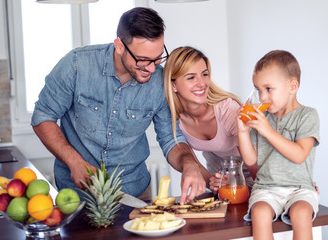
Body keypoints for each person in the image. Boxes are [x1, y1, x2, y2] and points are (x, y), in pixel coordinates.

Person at [31, 7, 206, 204]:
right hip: (76, 194)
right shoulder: (77, 64)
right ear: (120, 45)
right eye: (143, 60)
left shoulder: (159, 80)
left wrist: (189, 163)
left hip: (135, 191)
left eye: (157, 58)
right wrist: (75, 161)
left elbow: (170, 138)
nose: (151, 68)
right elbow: (42, 116)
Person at [238, 50, 320, 239]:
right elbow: (251, 159)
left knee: (301, 213)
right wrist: (243, 132)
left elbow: (299, 155)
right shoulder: (262, 118)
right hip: (266, 188)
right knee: (259, 213)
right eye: (258, 90)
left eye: (268, 89)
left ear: (292, 86)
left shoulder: (308, 116)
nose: (262, 97)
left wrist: (267, 130)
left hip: (300, 188)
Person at [163, 46, 254, 193]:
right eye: (191, 77)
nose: (202, 83)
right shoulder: (175, 119)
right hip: (222, 179)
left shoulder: (227, 110)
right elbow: (192, 163)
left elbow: (257, 163)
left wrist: (236, 181)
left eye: (204, 74)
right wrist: (213, 183)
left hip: (253, 176)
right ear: (173, 85)